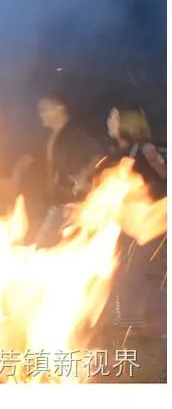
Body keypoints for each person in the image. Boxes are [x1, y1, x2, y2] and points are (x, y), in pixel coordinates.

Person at [100, 107, 166, 335]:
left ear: (127, 122)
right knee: (124, 271)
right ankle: (130, 318)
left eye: (114, 116)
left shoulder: (145, 150)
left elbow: (164, 177)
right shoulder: (117, 152)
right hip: (128, 223)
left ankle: (154, 320)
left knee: (136, 273)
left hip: (150, 223)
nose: (109, 120)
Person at [16, 92, 103, 247]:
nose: (41, 114)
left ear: (59, 109)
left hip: (73, 203)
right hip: (56, 201)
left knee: (46, 246)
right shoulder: (50, 137)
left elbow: (98, 155)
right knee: (51, 246)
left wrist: (84, 175)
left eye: (45, 109)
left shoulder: (76, 133)